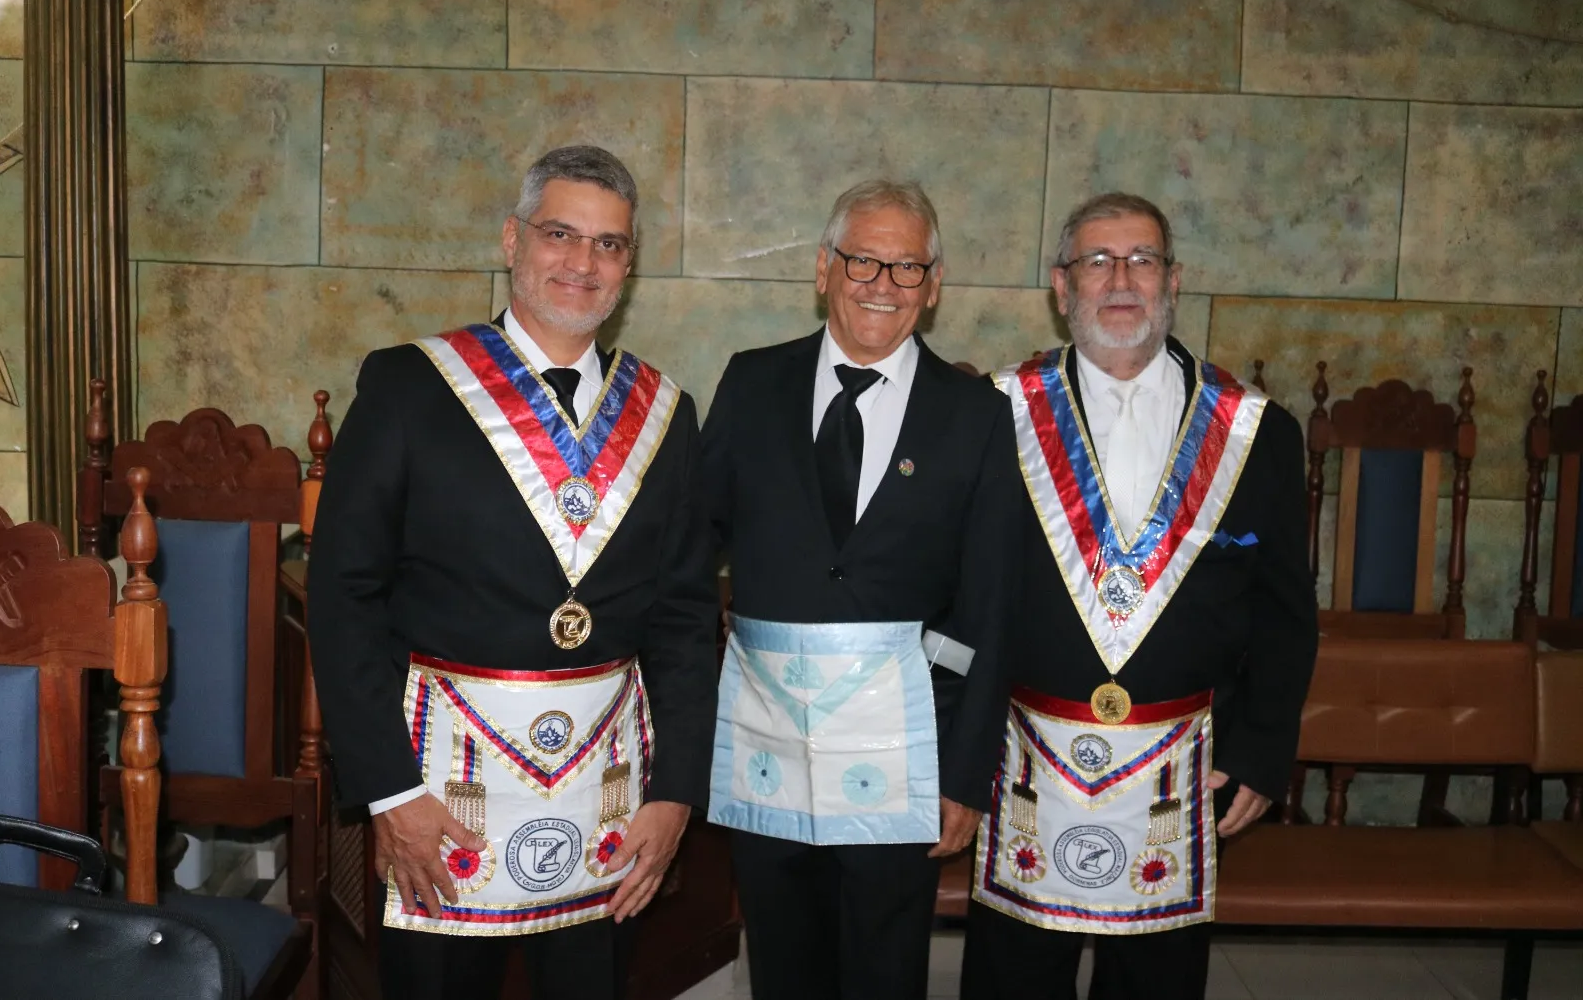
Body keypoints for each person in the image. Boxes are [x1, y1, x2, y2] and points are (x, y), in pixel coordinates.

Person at [307, 145, 717, 1000]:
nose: (583, 261)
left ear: (629, 265)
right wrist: (387, 793)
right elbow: (344, 597)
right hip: (441, 793)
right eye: (560, 233)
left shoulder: (665, 414)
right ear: (512, 239)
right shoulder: (409, 386)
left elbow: (683, 617)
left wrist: (676, 791)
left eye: (609, 244)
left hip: (606, 797)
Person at [961, 193, 1319, 1000]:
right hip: (1024, 769)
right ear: (1062, 285)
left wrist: (1262, 751)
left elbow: (1285, 616)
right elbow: (955, 596)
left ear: (1173, 280)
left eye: (1142, 260)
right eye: (1098, 261)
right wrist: (958, 754)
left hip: (1183, 778)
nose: (1121, 280)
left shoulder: (1255, 431)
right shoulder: (993, 412)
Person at [701, 179, 1023, 1000]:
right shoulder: (751, 385)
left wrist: (965, 775)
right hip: (766, 747)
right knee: (783, 969)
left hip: (906, 755)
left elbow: (990, 605)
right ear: (824, 269)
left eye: (908, 266)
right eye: (863, 261)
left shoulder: (976, 415)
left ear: (934, 285)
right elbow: (688, 556)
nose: (884, 283)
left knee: (884, 972)